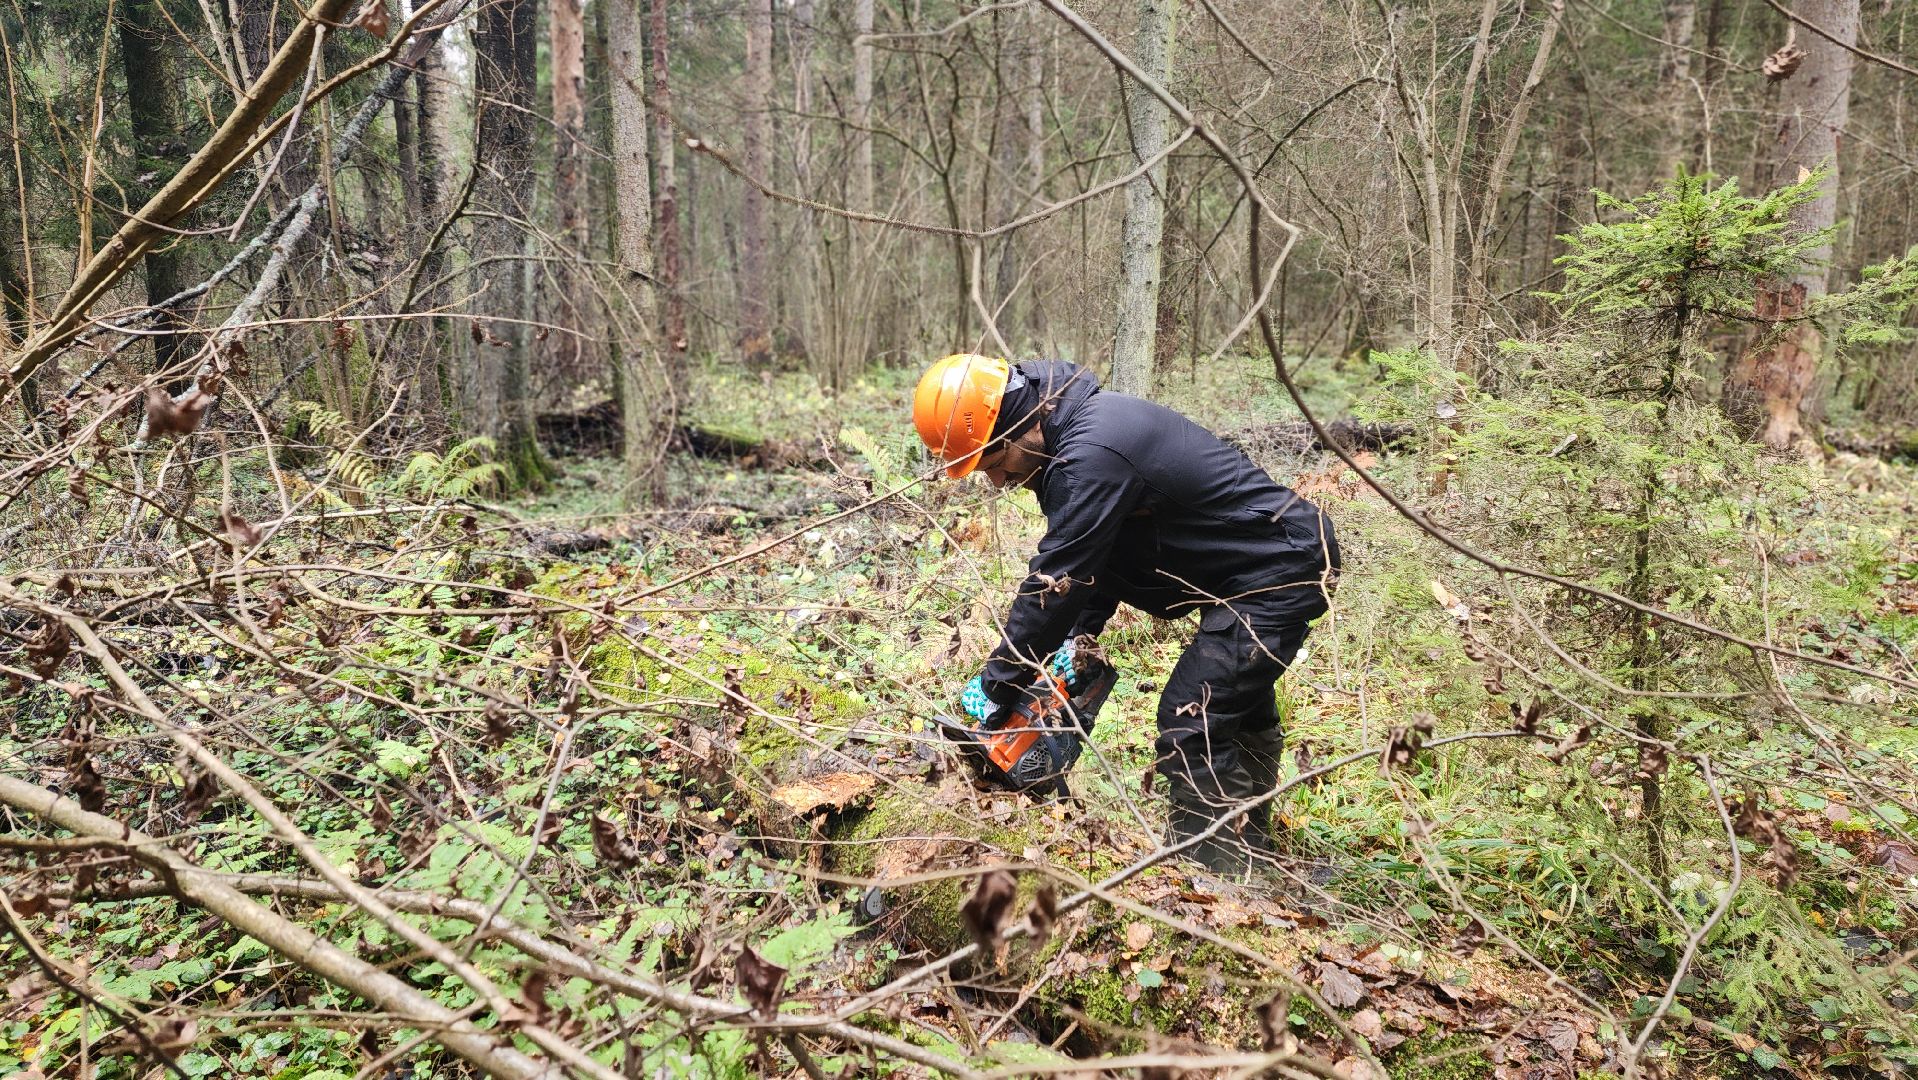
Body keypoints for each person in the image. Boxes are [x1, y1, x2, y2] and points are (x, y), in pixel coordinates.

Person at [911, 353, 1340, 874]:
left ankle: (1218, 878)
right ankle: (1249, 845)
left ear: (1019, 426)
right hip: (1246, 571)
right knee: (1233, 703)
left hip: (1278, 570)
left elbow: (1056, 581)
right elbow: (1098, 560)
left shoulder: (1092, 452)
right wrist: (1078, 641)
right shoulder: (1074, 444)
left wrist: (998, 683)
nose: (998, 482)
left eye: (994, 464)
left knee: (1194, 717)